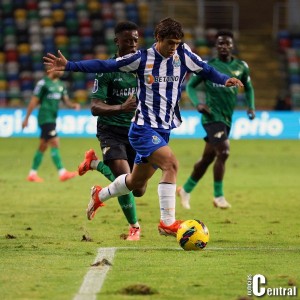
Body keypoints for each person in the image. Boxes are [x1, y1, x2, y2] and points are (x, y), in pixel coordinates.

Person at [44, 18, 243, 237]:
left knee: (136, 184)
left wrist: (225, 79)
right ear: (158, 39)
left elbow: (205, 69)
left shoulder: (183, 54)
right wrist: (70, 65)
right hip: (142, 128)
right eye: (169, 43)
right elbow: (106, 65)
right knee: (171, 164)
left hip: (164, 129)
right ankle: (167, 223)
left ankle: (99, 196)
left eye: (177, 43)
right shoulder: (142, 59)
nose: (173, 48)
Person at [78, 21, 142, 241]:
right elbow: (95, 107)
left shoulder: (142, 68)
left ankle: (94, 164)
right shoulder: (107, 70)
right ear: (117, 41)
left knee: (138, 188)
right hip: (110, 131)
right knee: (123, 178)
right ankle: (134, 227)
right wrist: (121, 107)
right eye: (127, 40)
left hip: (136, 132)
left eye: (135, 39)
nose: (133, 44)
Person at [177, 30, 255, 210]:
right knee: (224, 152)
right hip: (211, 116)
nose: (224, 46)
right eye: (220, 43)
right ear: (215, 46)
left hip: (227, 117)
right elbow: (190, 86)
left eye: (227, 43)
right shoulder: (207, 66)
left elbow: (249, 88)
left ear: (232, 46)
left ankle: (186, 190)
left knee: (207, 158)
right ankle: (218, 196)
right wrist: (198, 104)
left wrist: (251, 106)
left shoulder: (241, 66)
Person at [22, 67, 80, 182]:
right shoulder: (43, 83)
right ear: (51, 69)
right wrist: (26, 118)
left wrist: (72, 105)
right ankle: (62, 172)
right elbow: (34, 101)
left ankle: (32, 174)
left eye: (62, 70)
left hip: (52, 118)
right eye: (59, 69)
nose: (61, 72)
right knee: (54, 141)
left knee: (43, 145)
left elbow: (66, 100)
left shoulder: (61, 85)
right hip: (45, 117)